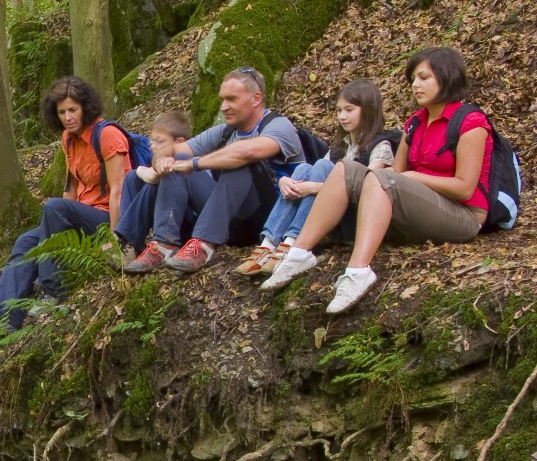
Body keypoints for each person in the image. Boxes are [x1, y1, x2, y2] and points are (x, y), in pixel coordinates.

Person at [262, 47, 492, 314]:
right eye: (413, 79)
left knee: (383, 178)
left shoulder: (471, 123)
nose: (415, 85)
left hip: (463, 216)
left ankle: (358, 271)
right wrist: (403, 176)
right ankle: (299, 253)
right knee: (345, 168)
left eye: (423, 78)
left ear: (447, 77)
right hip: (421, 207)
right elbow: (396, 171)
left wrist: (414, 177)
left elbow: (465, 188)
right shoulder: (415, 123)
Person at [0, 77, 129, 340]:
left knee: (53, 207)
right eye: (62, 112)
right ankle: (1, 317)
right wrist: (57, 227)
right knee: (26, 241)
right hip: (79, 215)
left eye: (73, 110)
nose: (68, 117)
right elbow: (71, 190)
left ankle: (54, 289)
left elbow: (119, 191)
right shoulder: (68, 139)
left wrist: (115, 238)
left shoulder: (107, 135)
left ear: (86, 107)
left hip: (108, 217)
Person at [123, 67, 303, 275]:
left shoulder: (279, 125)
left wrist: (196, 163)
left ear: (256, 98)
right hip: (229, 219)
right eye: (222, 100)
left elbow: (247, 151)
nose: (224, 107)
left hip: (269, 218)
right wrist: (161, 159)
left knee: (241, 161)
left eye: (231, 99)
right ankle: (164, 245)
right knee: (178, 159)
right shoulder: (226, 131)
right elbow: (174, 149)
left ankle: (204, 245)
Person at [236, 79, 395, 277]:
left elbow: (369, 188)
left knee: (321, 166)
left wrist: (312, 188)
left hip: (352, 218)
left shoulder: (380, 146)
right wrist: (287, 181)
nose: (342, 117)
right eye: (338, 111)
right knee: (304, 168)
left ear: (368, 110)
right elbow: (316, 176)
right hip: (327, 213)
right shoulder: (340, 147)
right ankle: (270, 244)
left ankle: (292, 241)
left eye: (349, 110)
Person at [114, 111, 215, 272]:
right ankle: (129, 245)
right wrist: (139, 172)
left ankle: (130, 240)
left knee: (151, 176)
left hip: (189, 223)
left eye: (159, 141)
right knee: (133, 178)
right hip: (170, 216)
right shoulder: (162, 161)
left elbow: (158, 177)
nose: (152, 145)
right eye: (151, 140)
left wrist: (140, 170)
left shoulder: (189, 161)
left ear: (179, 142)